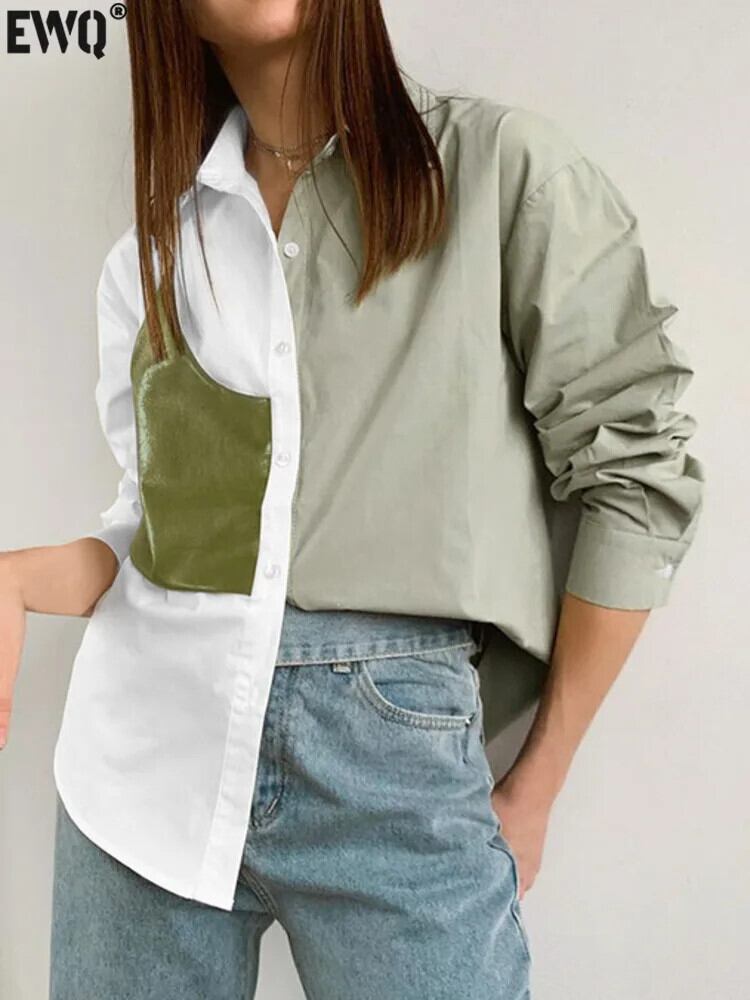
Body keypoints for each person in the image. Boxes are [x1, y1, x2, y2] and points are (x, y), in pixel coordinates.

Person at [0, 1, 704, 997]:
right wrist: (22, 575)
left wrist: (538, 782)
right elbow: (169, 529)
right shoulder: (154, 256)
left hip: (398, 756)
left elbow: (637, 471)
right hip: (145, 763)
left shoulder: (499, 174)